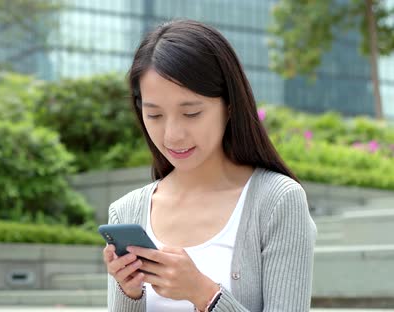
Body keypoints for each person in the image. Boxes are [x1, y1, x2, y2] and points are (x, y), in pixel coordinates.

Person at [102, 20, 317, 312]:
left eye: (191, 113)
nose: (172, 135)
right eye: (154, 115)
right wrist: (130, 294)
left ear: (229, 105)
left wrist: (203, 294)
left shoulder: (277, 201)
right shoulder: (126, 211)